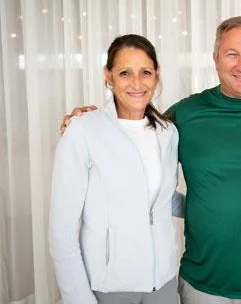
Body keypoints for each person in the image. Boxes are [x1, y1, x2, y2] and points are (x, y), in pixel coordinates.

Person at [59, 16, 241, 304]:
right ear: (215, 59)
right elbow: (133, 140)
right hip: (202, 282)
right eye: (231, 54)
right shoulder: (186, 115)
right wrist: (89, 121)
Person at [50, 34, 184, 304]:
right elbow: (61, 231)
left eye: (145, 72)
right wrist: (78, 299)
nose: (137, 83)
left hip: (165, 283)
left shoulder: (167, 132)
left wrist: (217, 208)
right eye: (125, 73)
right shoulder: (83, 131)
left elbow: (162, 199)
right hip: (110, 286)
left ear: (156, 75)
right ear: (108, 76)